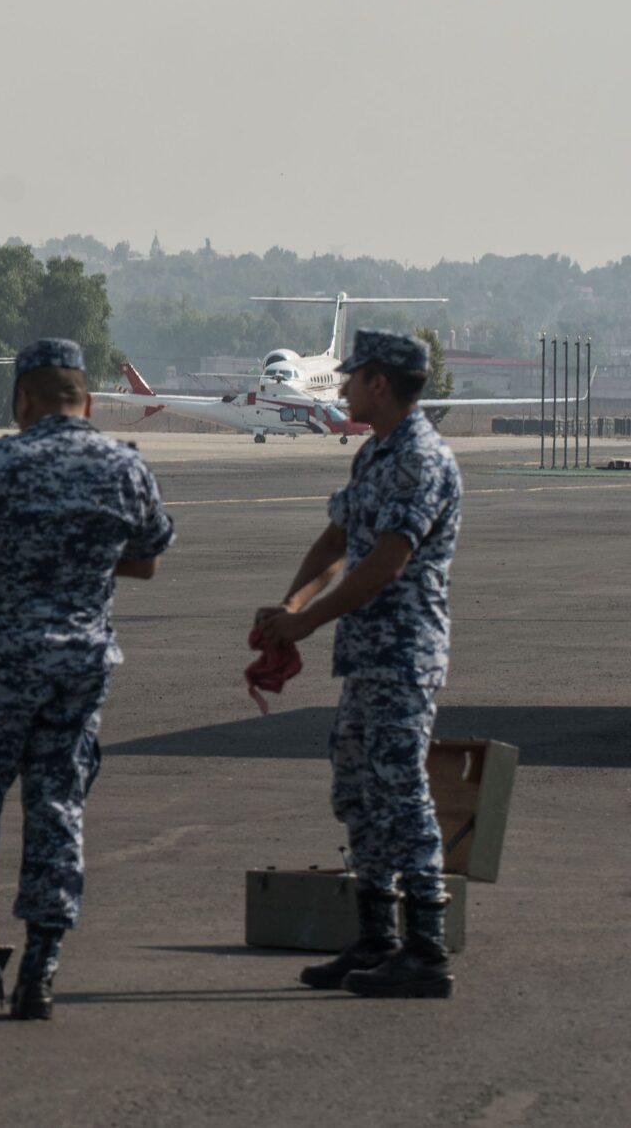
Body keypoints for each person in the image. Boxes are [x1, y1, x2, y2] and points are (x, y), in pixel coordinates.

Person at [0, 338, 174, 1022]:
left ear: (22, 399)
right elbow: (145, 562)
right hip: (79, 667)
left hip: (1, 661)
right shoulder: (125, 466)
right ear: (85, 400)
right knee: (57, 808)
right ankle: (40, 975)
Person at [254, 330, 462, 1000]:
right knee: (358, 787)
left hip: (404, 654)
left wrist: (306, 621)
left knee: (401, 790)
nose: (341, 387)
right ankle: (377, 935)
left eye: (352, 378)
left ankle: (426, 948)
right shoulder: (374, 455)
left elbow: (385, 562)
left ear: (379, 383)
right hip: (367, 657)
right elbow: (338, 539)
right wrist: (291, 601)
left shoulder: (420, 459)